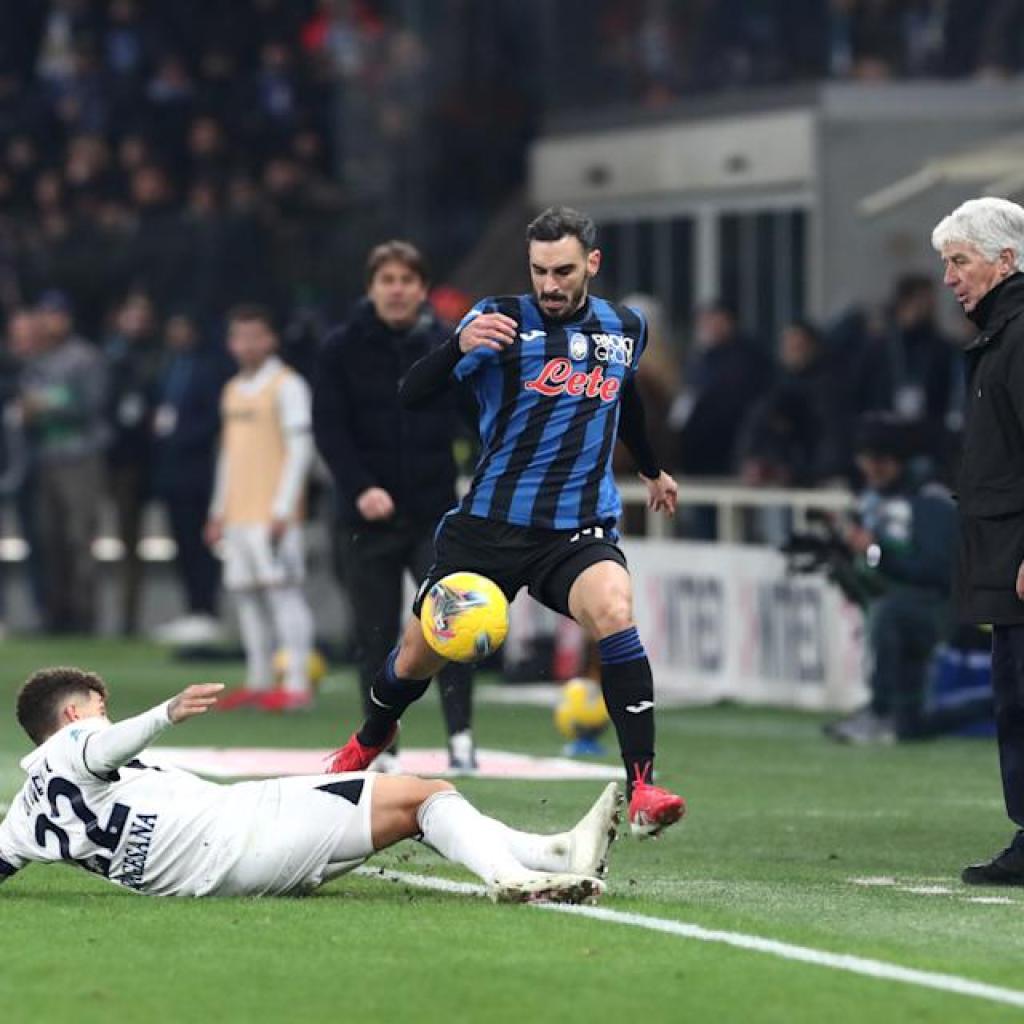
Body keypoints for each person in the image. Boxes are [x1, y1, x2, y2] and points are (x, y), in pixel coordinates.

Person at [325, 207, 685, 838]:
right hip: (489, 528)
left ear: (592, 264)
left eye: (563, 271)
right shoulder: (497, 319)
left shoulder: (625, 328)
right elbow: (412, 393)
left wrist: (652, 469)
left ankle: (643, 788)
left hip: (575, 530)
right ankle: (368, 740)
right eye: (539, 270)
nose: (549, 284)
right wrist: (457, 347)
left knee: (615, 610)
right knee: (415, 657)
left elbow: (623, 394)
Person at [0, 666, 614, 903]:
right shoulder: (78, 741)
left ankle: (556, 852)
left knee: (395, 804)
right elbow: (101, 746)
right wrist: (164, 713)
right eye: (98, 707)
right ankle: (510, 877)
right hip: (236, 835)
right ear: (74, 714)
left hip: (207, 873)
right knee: (424, 794)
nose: (104, 715)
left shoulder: (24, 815)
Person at [313, 241, 476, 768]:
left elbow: (474, 417)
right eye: (388, 280)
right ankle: (383, 744)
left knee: (453, 624)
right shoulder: (340, 349)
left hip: (435, 512)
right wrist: (360, 487)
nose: (398, 290)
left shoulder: (447, 345)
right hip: (367, 518)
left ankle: (462, 738)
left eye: (407, 280)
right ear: (371, 288)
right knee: (375, 633)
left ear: (422, 288)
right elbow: (329, 429)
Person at [932, 196, 1024, 885]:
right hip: (1001, 547)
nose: (949, 278)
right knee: (1014, 696)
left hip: (1016, 548)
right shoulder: (1002, 334)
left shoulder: (1019, 336)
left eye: (960, 261)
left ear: (1006, 260)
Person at [822, 414, 960, 744]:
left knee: (888, 612)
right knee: (912, 724)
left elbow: (938, 571)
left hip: (939, 607)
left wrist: (875, 552)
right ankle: (897, 714)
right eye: (865, 459)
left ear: (898, 459)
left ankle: (880, 712)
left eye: (879, 459)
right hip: (906, 605)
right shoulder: (873, 499)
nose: (870, 468)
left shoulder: (930, 501)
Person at [205, 305, 316, 712]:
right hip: (239, 512)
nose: (247, 345)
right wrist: (218, 510)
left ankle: (298, 682)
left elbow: (300, 449)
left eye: (255, 336)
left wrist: (283, 507)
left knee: (284, 593)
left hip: (273, 513)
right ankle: (259, 679)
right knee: (247, 595)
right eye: (240, 336)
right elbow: (228, 455)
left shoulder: (288, 385)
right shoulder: (233, 389)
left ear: (271, 339)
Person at [20, 290, 108, 633]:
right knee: (49, 538)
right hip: (47, 455)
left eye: (55, 315)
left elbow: (93, 403)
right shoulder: (37, 359)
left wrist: (47, 406)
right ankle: (57, 615)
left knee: (80, 536)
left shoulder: (85, 357)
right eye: (45, 315)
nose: (49, 322)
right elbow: (26, 403)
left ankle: (86, 616)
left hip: (81, 456)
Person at [150, 313, 231, 646]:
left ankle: (206, 610)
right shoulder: (168, 365)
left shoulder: (207, 369)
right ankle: (193, 609)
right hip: (171, 469)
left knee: (200, 544)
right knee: (181, 542)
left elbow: (213, 418)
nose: (176, 334)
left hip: (198, 470)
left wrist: (180, 435)